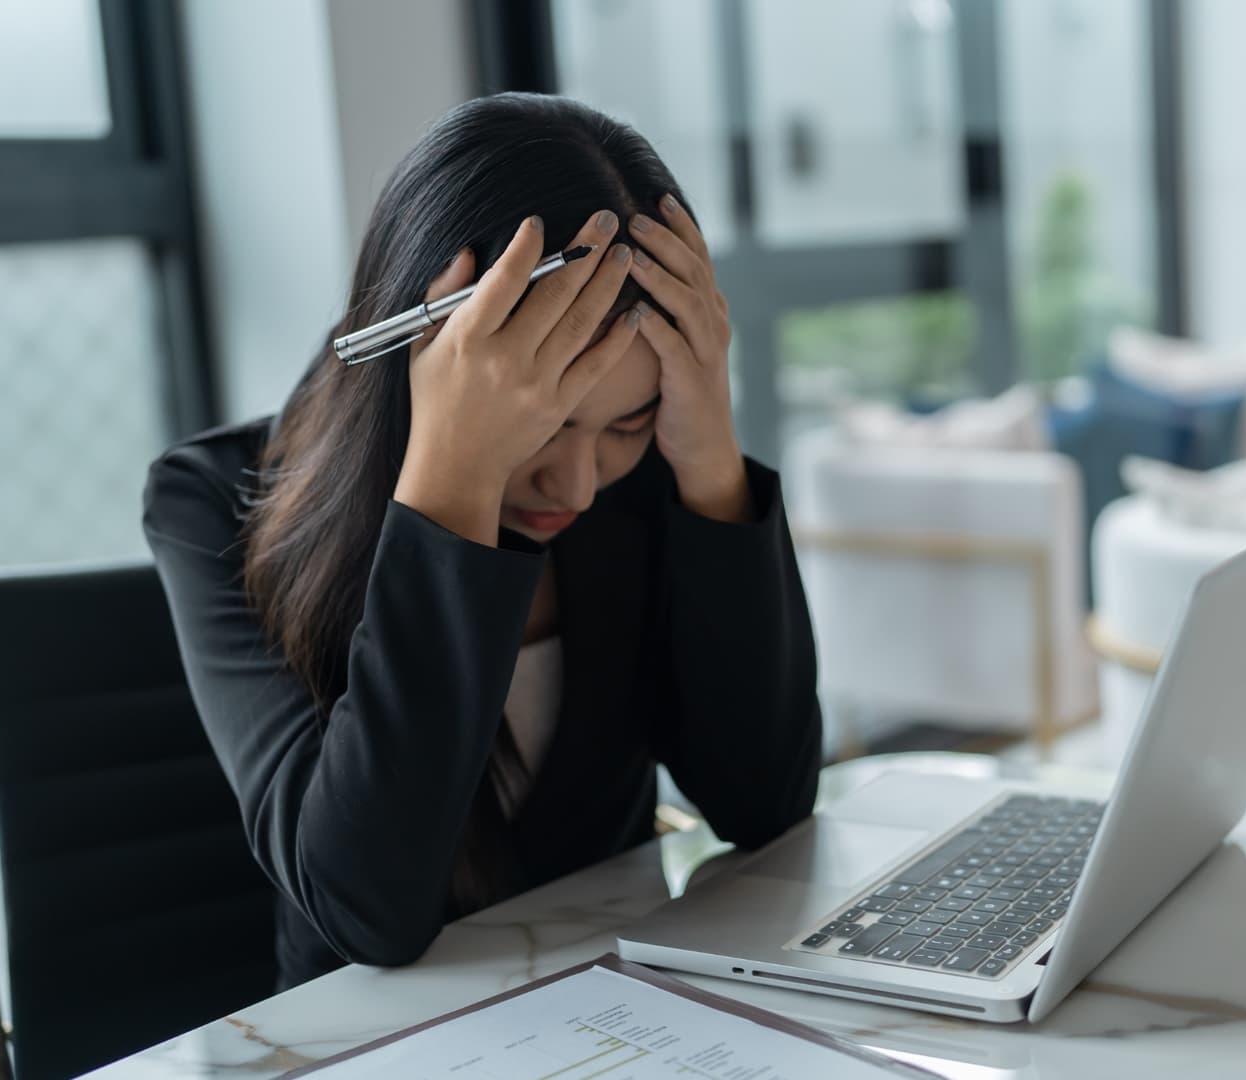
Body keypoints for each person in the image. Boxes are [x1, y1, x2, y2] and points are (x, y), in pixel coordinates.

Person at [142, 94, 822, 989]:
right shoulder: (210, 503)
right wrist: (452, 476)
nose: (577, 486)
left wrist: (708, 458)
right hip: (369, 1035)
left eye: (626, 425)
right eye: (545, 425)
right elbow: (366, 910)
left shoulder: (653, 473)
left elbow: (765, 804)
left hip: (625, 1004)